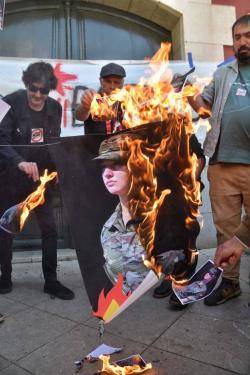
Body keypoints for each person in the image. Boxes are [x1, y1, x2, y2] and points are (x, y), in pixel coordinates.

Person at [187, 14, 250, 305]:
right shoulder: (223, 73)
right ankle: (231, 283)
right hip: (222, 163)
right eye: (237, 37)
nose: (242, 42)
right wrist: (191, 97)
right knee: (226, 228)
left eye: (248, 36)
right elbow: (204, 107)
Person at [0, 61, 74, 300]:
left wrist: (59, 168)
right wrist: (20, 162)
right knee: (6, 228)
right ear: (27, 85)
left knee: (50, 229)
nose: (38, 95)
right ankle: (5, 278)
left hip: (41, 179)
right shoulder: (9, 103)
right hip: (11, 177)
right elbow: (1, 141)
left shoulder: (54, 107)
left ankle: (51, 281)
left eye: (44, 90)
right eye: (34, 88)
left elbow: (54, 142)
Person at [94, 134, 149, 294]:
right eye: (103, 167)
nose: (107, 173)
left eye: (116, 164)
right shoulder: (108, 229)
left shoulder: (159, 219)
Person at [76, 62, 126, 134]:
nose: (112, 86)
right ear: (101, 81)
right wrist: (85, 106)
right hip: (95, 144)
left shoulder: (128, 101)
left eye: (116, 82)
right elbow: (79, 116)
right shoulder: (93, 99)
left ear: (122, 82)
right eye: (108, 81)